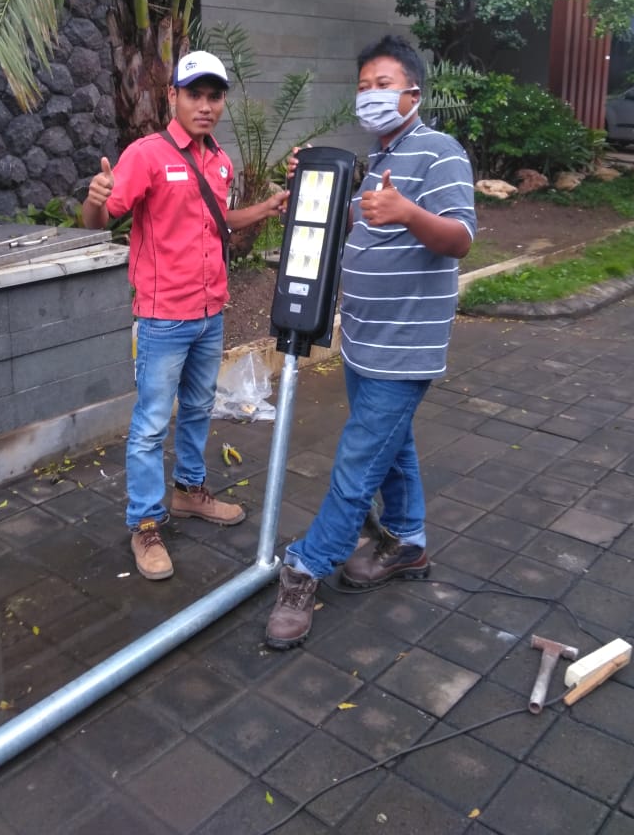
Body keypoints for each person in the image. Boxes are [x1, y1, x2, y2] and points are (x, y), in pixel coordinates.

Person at [265, 34, 476, 648]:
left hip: (403, 346)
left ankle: (306, 568)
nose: (370, 96)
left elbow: (461, 238)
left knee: (358, 464)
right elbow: (359, 224)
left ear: (414, 92)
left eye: (383, 85)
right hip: (363, 337)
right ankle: (407, 542)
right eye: (363, 86)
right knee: (391, 445)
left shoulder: (439, 152)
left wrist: (409, 213)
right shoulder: (378, 157)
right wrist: (313, 184)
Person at [83, 50, 288, 581]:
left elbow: (220, 220)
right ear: (172, 96)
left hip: (209, 310)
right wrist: (95, 198)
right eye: (194, 94)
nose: (205, 105)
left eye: (214, 96)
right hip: (162, 317)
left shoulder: (218, 160)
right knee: (151, 425)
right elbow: (98, 220)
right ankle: (145, 523)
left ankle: (190, 491)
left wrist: (266, 208)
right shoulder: (147, 155)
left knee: (198, 407)